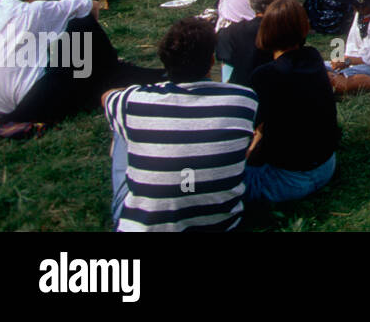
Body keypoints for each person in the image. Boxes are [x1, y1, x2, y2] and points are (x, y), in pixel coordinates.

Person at [104, 17, 259, 231]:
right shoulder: (245, 99)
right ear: (211, 62)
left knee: (122, 125)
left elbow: (106, 97)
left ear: (166, 62)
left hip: (146, 226)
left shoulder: (134, 100)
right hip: (221, 224)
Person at [0, 0, 161, 124]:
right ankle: (112, 71)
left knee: (63, 42)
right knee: (80, 22)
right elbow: (91, 5)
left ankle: (106, 71)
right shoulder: (36, 9)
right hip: (32, 105)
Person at [244, 0, 339, 201]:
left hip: (287, 179)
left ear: (266, 30)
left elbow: (251, 129)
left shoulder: (265, 75)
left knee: (213, 177)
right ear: (303, 28)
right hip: (326, 165)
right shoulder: (313, 57)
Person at [216, 0, 285, 85]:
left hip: (242, 88)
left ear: (251, 2)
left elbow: (222, 55)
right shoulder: (289, 31)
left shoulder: (230, 32)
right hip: (277, 87)